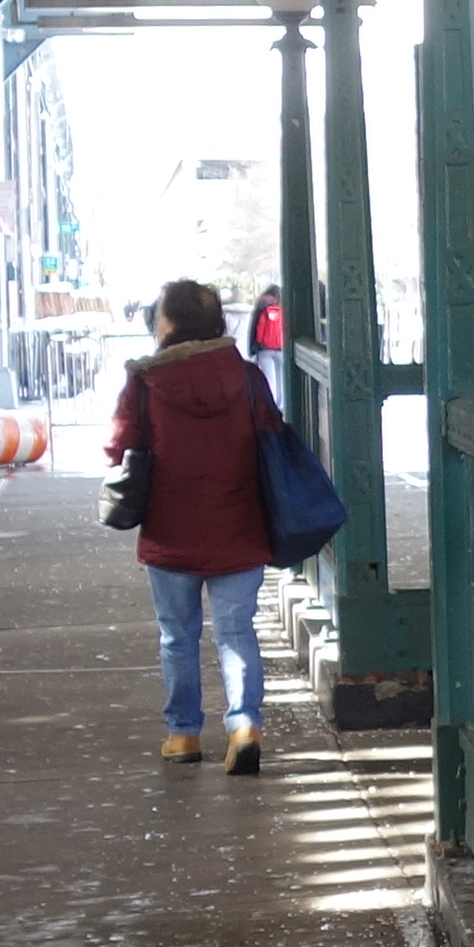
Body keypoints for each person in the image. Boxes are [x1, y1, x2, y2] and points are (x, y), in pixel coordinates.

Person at [109, 277, 277, 770]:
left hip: (170, 528)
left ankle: (183, 735)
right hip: (239, 526)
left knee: (177, 635)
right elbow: (272, 439)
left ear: (171, 322)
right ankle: (244, 725)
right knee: (235, 631)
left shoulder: (145, 381)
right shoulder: (247, 378)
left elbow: (119, 447)